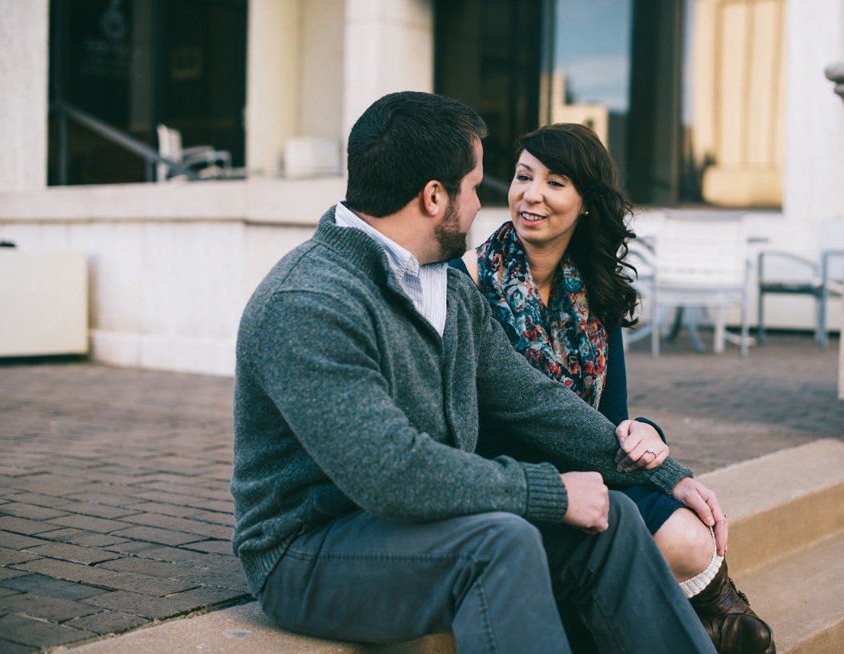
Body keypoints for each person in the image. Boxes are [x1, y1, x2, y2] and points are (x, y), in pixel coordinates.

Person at [231, 91, 720, 654]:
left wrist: (666, 475)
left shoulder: (445, 286)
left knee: (615, 519)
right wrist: (550, 492)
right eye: (473, 187)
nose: (484, 203)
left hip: (430, 520)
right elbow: (389, 472)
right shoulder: (310, 301)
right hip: (309, 551)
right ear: (434, 197)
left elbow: (533, 399)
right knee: (501, 543)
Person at [452, 123, 775, 654]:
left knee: (692, 539)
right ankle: (703, 622)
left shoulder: (594, 290)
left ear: (585, 204)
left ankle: (716, 616)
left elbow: (612, 415)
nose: (531, 194)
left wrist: (645, 433)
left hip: (592, 462)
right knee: (666, 540)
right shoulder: (467, 282)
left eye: (555, 183)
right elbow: (516, 410)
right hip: (519, 476)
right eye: (523, 176)